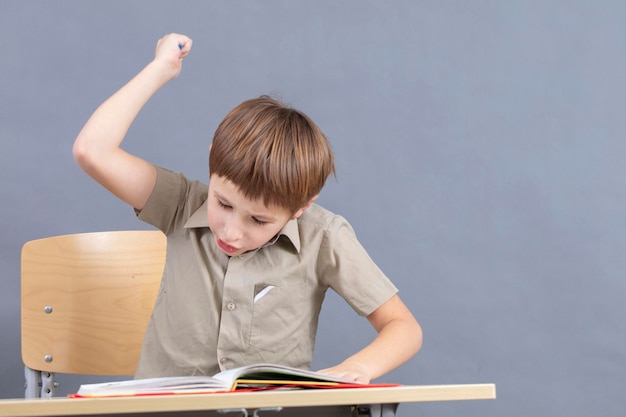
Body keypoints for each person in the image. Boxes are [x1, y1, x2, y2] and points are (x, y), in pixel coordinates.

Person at [73, 33, 422, 383]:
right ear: (212, 159)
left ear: (301, 207)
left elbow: (403, 327)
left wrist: (359, 368)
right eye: (222, 203)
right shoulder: (180, 203)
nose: (231, 231)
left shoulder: (322, 236)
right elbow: (93, 151)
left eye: (258, 220)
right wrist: (160, 69)